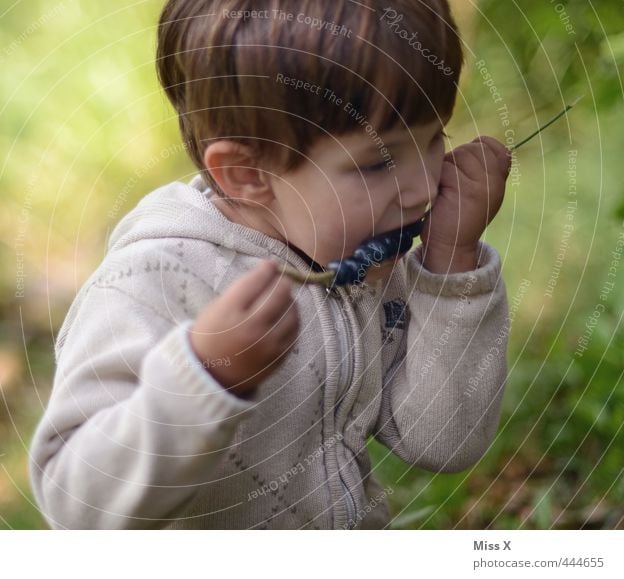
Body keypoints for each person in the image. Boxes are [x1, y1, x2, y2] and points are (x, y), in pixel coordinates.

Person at [29, 0, 512, 529]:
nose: (425, 187)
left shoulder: (358, 261)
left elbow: (442, 441)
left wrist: (451, 266)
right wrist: (203, 378)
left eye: (435, 139)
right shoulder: (152, 283)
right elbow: (76, 502)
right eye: (378, 162)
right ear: (246, 174)